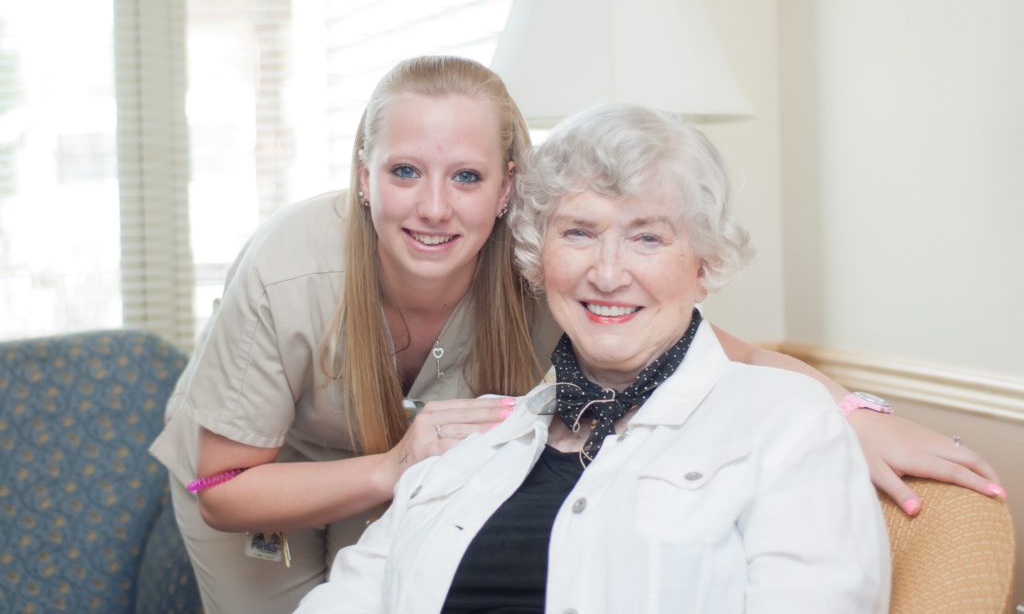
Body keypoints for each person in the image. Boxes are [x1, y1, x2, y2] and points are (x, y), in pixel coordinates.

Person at [149, 56, 999, 614]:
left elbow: (728, 349)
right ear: (364, 179)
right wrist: (394, 467)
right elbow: (231, 491)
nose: (436, 206)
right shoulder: (302, 281)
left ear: (507, 194)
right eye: (405, 170)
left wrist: (850, 410)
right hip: (261, 488)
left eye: (648, 236)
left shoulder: (769, 421)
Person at [294, 103, 891, 613]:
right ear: (536, 255)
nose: (607, 273)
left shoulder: (785, 424)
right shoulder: (468, 443)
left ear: (704, 264)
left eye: (648, 237)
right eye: (578, 232)